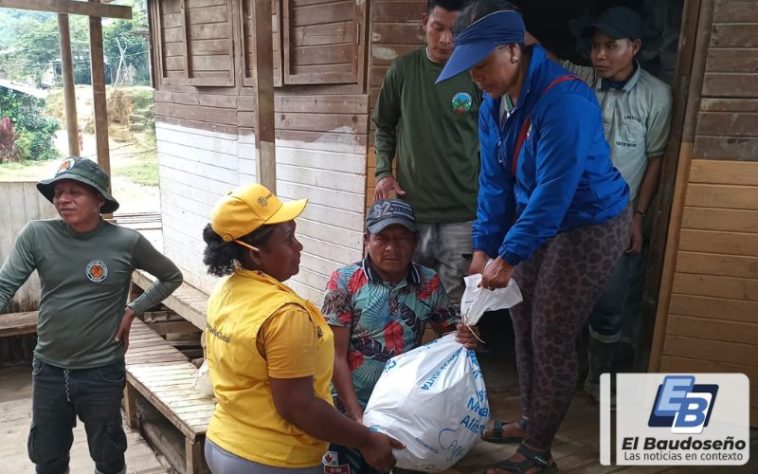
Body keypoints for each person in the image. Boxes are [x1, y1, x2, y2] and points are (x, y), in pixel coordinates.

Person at [437, 3, 631, 472]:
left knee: (551, 332)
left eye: (482, 64)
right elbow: (495, 183)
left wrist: (508, 255)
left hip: (589, 223)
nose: (476, 77)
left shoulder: (564, 99)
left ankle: (539, 451)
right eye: (469, 68)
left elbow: (555, 190)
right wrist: (484, 247)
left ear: (512, 49)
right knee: (522, 324)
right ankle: (532, 418)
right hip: (537, 221)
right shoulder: (492, 104)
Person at [0, 157, 183, 474]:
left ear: (99, 198)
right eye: (58, 192)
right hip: (49, 369)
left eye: (74, 192)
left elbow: (171, 277)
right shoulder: (36, 235)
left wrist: (132, 310)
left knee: (109, 457)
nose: (63, 199)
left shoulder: (126, 242)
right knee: (47, 457)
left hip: (101, 371)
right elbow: (4, 285)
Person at [201, 184, 401, 474]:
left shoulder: (228, 290)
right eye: (288, 239)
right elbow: (299, 407)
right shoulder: (284, 315)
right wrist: (368, 440)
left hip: (222, 444)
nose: (299, 246)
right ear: (256, 254)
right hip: (273, 460)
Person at [563, 6, 672, 401]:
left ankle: (597, 379)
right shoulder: (582, 82)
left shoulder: (657, 96)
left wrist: (637, 217)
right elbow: (537, 56)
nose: (600, 55)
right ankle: (566, 374)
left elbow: (656, 158)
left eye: (611, 46)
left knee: (609, 303)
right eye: (595, 47)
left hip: (619, 218)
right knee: (567, 298)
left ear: (636, 46)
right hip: (572, 217)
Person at [321, 199, 478, 474]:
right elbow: (335, 356)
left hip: (403, 409)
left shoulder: (428, 281)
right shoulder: (344, 281)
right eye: (382, 238)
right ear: (366, 240)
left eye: (402, 238)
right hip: (348, 407)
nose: (392, 248)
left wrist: (466, 336)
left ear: (415, 241)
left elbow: (450, 333)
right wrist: (357, 418)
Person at [373, 0, 481, 311]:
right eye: (439, 28)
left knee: (457, 303)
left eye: (456, 31)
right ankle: (405, 359)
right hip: (411, 211)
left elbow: (491, 139)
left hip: (462, 212)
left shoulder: (476, 75)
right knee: (405, 296)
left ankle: (454, 358)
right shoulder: (403, 71)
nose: (447, 39)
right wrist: (383, 171)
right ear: (424, 23)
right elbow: (383, 124)